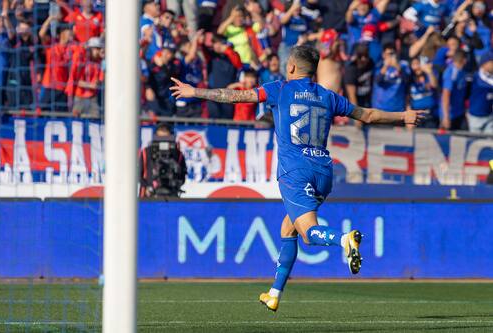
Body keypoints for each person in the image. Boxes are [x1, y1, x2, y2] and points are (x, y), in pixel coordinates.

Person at [170, 45, 425, 311]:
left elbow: (236, 96)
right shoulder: (328, 96)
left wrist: (195, 91)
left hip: (295, 171)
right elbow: (368, 115)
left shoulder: (279, 89)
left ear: (291, 67)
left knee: (309, 233)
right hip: (324, 172)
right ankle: (274, 293)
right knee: (288, 229)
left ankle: (343, 239)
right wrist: (403, 116)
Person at [66, 37, 104, 118]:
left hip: (92, 98)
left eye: (99, 49)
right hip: (79, 97)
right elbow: (76, 81)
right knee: (76, 122)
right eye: (96, 49)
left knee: (95, 122)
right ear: (90, 49)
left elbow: (99, 80)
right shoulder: (81, 59)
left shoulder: (99, 62)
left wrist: (103, 58)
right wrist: (90, 85)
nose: (98, 52)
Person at [372, 42, 410, 112]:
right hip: (379, 109)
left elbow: (407, 81)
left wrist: (397, 67)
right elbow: (377, 80)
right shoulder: (378, 66)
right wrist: (386, 66)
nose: (390, 56)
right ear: (383, 55)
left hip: (398, 110)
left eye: (392, 54)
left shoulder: (403, 66)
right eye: (388, 54)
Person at [440, 49, 468, 130]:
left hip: (459, 112)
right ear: (464, 60)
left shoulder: (462, 71)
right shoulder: (451, 73)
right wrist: (446, 117)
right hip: (450, 115)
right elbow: (445, 95)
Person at [467, 51, 493, 134]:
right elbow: (484, 84)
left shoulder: (490, 76)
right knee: (476, 143)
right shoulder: (476, 76)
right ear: (484, 63)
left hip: (489, 116)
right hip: (476, 117)